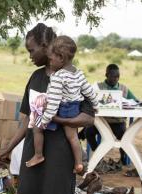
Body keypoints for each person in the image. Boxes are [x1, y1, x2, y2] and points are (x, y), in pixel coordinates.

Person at [0, 23, 95, 194]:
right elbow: (27, 119)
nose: (30, 56)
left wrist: (59, 120)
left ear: (45, 46)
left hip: (60, 154)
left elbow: (89, 118)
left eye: (31, 50)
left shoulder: (73, 78)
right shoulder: (36, 77)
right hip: (34, 152)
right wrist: (8, 147)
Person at [26, 36, 98, 174]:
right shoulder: (77, 72)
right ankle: (78, 164)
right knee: (73, 137)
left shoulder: (58, 77)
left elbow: (53, 103)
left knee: (36, 128)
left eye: (51, 59)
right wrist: (95, 104)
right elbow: (88, 90)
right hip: (74, 108)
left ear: (61, 58)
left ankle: (38, 155)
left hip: (62, 109)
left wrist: (45, 120)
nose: (50, 62)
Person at [84, 64, 140, 165]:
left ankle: (123, 158)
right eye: (113, 76)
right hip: (101, 121)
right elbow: (88, 100)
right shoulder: (98, 87)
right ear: (106, 75)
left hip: (117, 122)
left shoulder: (124, 89)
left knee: (125, 137)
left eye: (118, 76)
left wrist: (133, 102)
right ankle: (98, 153)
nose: (116, 79)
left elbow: (134, 101)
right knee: (88, 131)